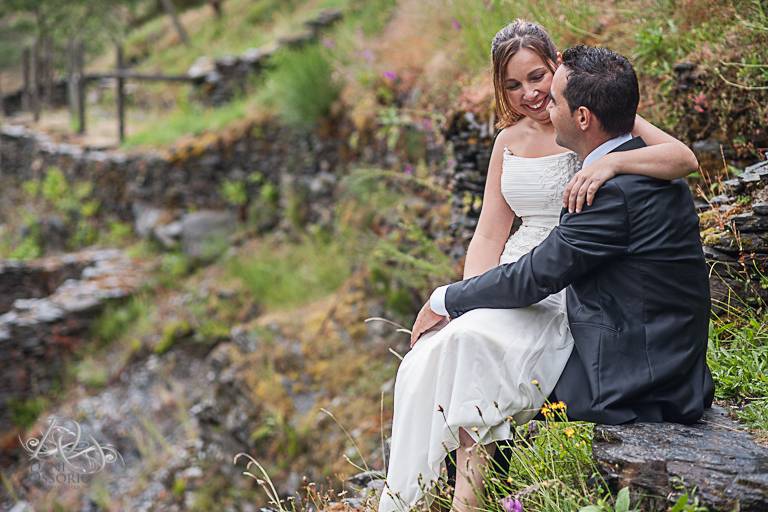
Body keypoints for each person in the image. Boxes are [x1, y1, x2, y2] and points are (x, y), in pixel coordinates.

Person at [378, 21, 706, 512]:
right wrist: (469, 297)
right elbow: (491, 231)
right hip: (531, 268)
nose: (532, 96)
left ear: (563, 82)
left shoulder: (603, 129)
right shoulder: (512, 139)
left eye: (540, 81)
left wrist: (611, 164)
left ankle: (464, 499)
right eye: (514, 84)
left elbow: (681, 158)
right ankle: (430, 490)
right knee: (432, 356)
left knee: (473, 350)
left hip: (561, 283)